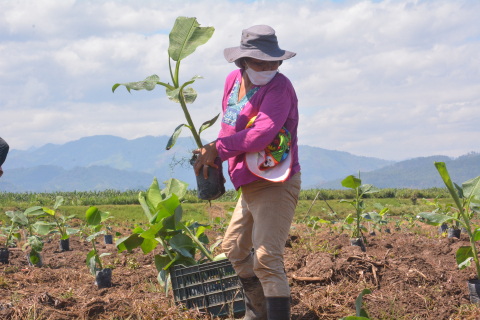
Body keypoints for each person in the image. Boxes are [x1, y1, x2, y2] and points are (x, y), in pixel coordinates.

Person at [193, 25, 300, 320]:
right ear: (242, 61)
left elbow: (261, 135)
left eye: (273, 62)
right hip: (248, 183)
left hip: (274, 182)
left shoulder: (279, 88)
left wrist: (218, 148)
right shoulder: (232, 81)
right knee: (235, 251)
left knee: (266, 260)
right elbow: (229, 127)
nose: (267, 67)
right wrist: (219, 163)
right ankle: (257, 312)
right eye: (259, 61)